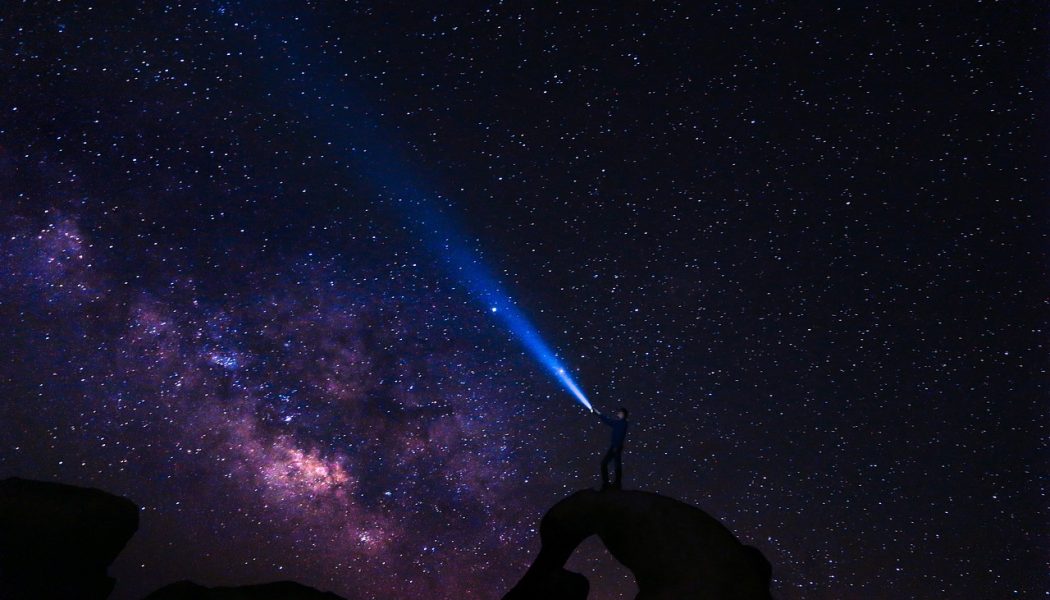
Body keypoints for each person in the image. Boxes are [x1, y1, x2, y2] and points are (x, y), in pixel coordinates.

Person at [592, 406, 629, 490]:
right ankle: (609, 483)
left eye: (619, 412)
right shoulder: (618, 423)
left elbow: (620, 435)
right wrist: (597, 413)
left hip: (617, 446)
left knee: (615, 464)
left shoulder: (623, 423)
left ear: (623, 414)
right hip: (615, 446)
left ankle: (615, 484)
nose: (617, 413)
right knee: (606, 463)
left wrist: (617, 446)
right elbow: (607, 420)